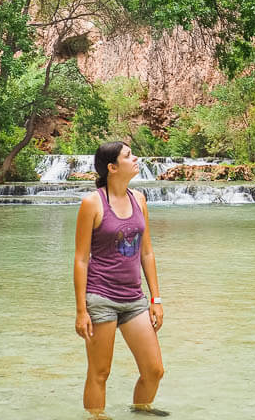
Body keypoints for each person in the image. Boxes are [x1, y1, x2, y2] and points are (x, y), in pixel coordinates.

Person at [74, 141, 167, 418]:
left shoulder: (139, 199)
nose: (135, 157)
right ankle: (96, 416)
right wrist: (81, 311)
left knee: (154, 370)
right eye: (128, 155)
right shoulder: (92, 203)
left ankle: (140, 411)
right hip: (100, 297)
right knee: (100, 372)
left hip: (134, 299)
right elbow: (80, 259)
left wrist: (156, 299)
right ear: (112, 168)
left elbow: (147, 252)